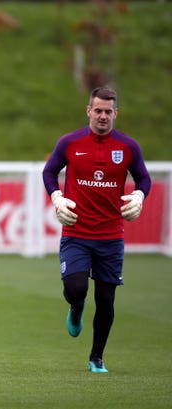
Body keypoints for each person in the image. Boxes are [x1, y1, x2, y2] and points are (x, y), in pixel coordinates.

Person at [42, 86, 151, 373]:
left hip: (111, 236)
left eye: (108, 111)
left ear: (116, 113)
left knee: (106, 299)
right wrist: (57, 197)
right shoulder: (70, 142)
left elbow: (143, 179)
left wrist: (139, 196)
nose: (103, 116)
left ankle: (96, 357)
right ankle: (76, 308)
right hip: (77, 233)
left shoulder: (128, 147)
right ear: (89, 111)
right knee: (76, 289)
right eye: (98, 110)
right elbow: (49, 171)